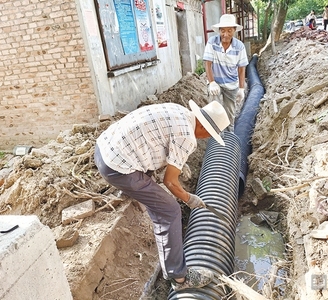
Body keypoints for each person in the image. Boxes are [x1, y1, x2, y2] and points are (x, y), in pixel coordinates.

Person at [94, 100, 230, 291]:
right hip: (116, 167)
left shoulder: (179, 111)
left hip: (103, 149)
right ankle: (179, 278)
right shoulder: (187, 137)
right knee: (170, 210)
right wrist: (188, 198)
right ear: (202, 125)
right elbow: (170, 182)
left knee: (157, 191)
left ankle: (129, 188)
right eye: (208, 134)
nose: (204, 138)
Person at [203, 14, 249, 132]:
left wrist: (241, 88)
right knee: (214, 112)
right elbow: (208, 63)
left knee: (229, 113)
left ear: (234, 31)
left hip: (232, 84)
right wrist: (212, 82)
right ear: (219, 31)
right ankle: (215, 137)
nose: (226, 34)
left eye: (229, 31)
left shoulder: (239, 47)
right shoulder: (212, 42)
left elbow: (241, 69)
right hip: (216, 84)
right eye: (223, 31)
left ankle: (229, 138)